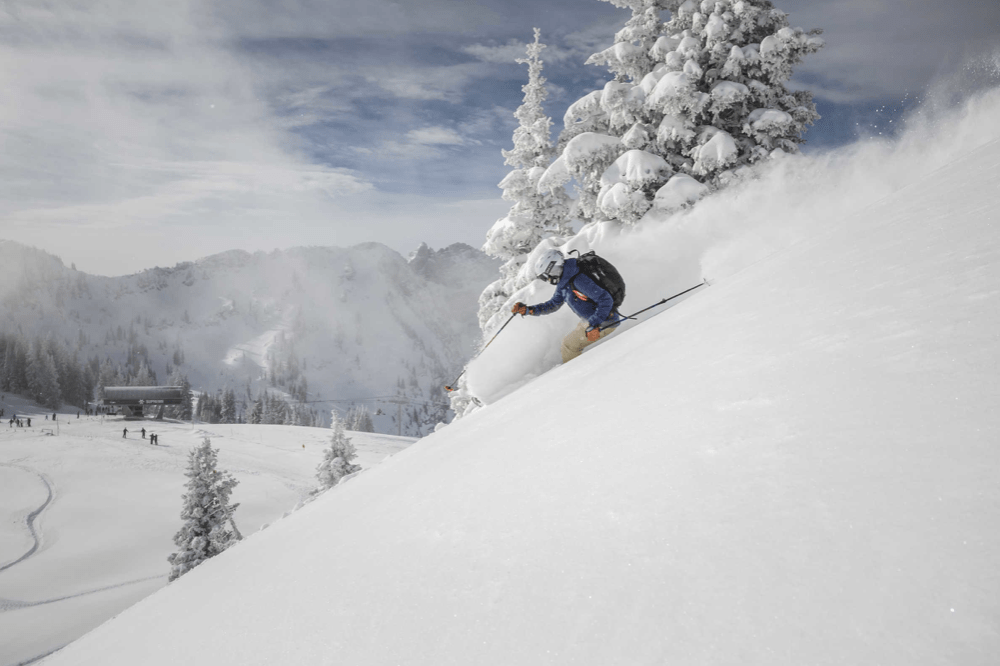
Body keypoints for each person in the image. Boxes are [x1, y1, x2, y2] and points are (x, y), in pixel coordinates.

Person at [512, 249, 623, 363]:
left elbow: (605, 300)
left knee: (568, 346)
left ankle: (576, 375)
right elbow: (553, 304)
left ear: (554, 267)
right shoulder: (564, 282)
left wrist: (594, 324)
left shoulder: (579, 280)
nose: (549, 279)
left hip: (604, 321)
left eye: (547, 275)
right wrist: (528, 310)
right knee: (567, 343)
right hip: (590, 321)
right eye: (544, 278)